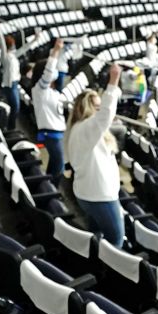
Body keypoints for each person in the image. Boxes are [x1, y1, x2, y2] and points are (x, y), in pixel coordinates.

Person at [65, 64, 124, 246]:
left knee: (97, 234)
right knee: (116, 240)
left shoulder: (76, 129)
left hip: (87, 193)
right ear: (88, 108)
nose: (100, 110)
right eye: (97, 107)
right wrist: (113, 82)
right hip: (99, 196)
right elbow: (106, 115)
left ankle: (98, 264)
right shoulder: (86, 128)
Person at [32, 40, 68, 180]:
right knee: (59, 166)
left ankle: (49, 188)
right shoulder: (40, 89)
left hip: (57, 132)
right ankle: (54, 192)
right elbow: (48, 72)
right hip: (50, 134)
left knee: (54, 163)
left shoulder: (53, 92)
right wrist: (55, 51)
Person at [0, 35, 22, 128]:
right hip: (10, 85)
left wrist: (35, 40)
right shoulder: (5, 56)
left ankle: (11, 126)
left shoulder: (13, 55)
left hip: (15, 83)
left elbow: (25, 48)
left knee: (16, 107)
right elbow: (1, 43)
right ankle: (11, 127)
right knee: (15, 107)